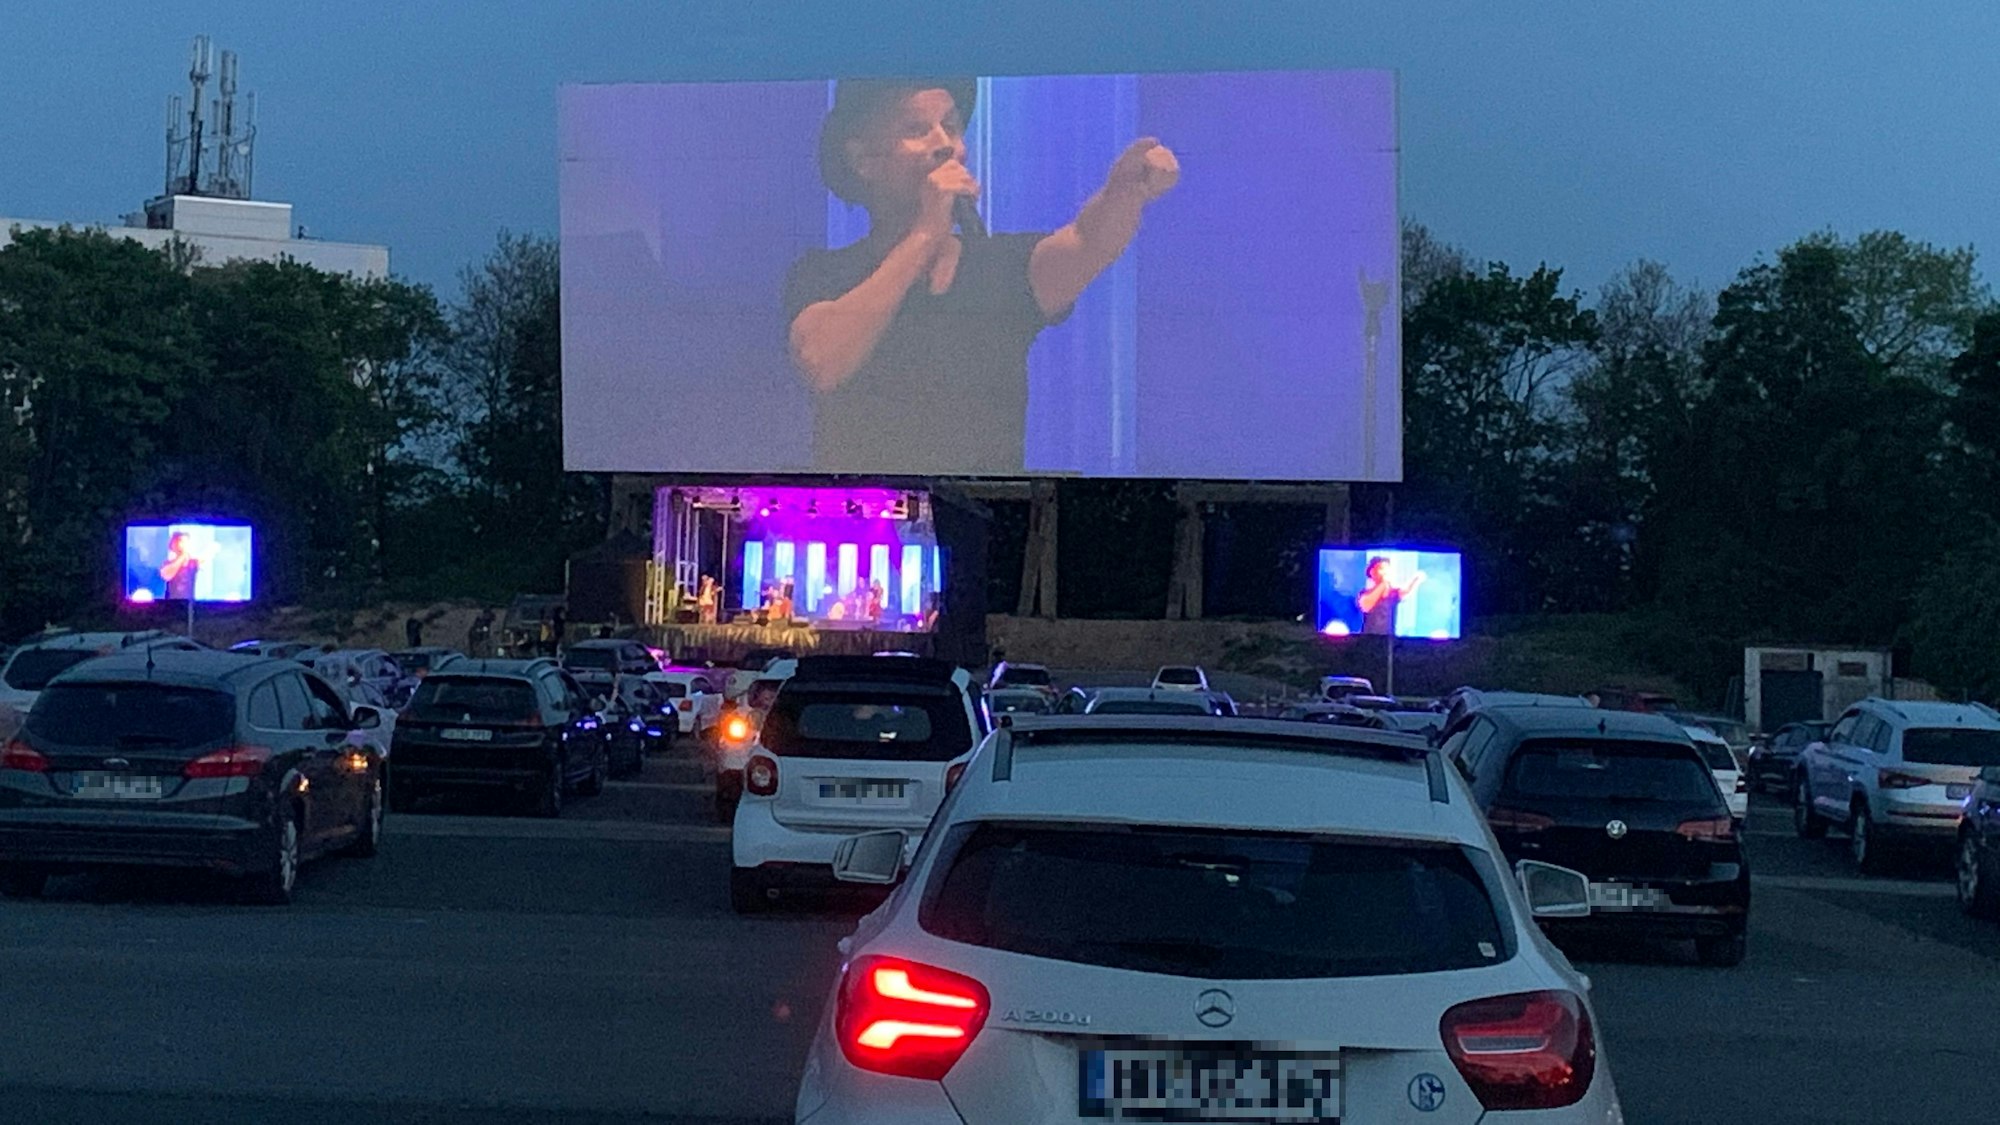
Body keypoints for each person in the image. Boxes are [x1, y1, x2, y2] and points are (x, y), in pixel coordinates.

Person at [786, 78, 1180, 473]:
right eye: (916, 130)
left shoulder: (1002, 267)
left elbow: (1085, 242)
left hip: (986, 523)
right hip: (863, 523)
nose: (945, 144)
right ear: (863, 160)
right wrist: (926, 232)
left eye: (952, 127)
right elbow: (822, 362)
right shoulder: (824, 274)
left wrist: (1126, 192)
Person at [1357, 557, 1425, 637]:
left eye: (1387, 569)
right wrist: (1383, 584)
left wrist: (1416, 579)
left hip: (1389, 638)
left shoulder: (1393, 593)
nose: (1386, 572)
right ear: (1372, 572)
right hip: (1369, 637)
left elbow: (1405, 591)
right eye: (1382, 569)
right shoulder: (1365, 593)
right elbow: (1366, 606)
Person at [158, 531, 200, 600]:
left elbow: (204, 557)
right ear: (174, 544)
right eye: (182, 541)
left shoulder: (193, 562)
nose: (185, 545)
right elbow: (166, 576)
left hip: (189, 604)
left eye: (187, 542)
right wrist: (182, 556)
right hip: (171, 604)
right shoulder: (168, 563)